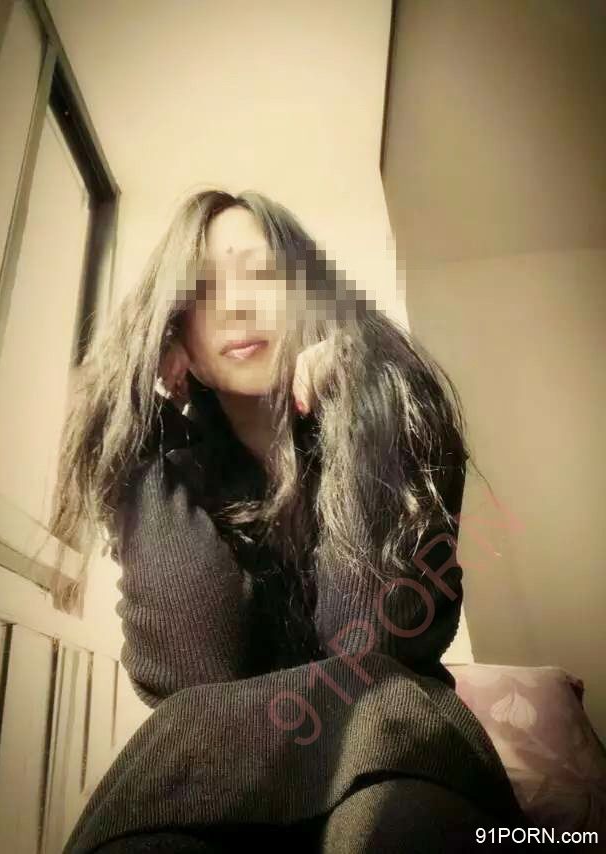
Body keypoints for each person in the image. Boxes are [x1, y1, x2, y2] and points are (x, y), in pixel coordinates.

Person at [53, 189, 529, 852]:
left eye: (261, 273)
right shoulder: (176, 474)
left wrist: (360, 408)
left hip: (392, 748)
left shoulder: (391, 409)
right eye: (201, 290)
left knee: (394, 772)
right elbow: (194, 678)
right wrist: (149, 439)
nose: (236, 306)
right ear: (175, 335)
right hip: (222, 779)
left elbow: (372, 647)